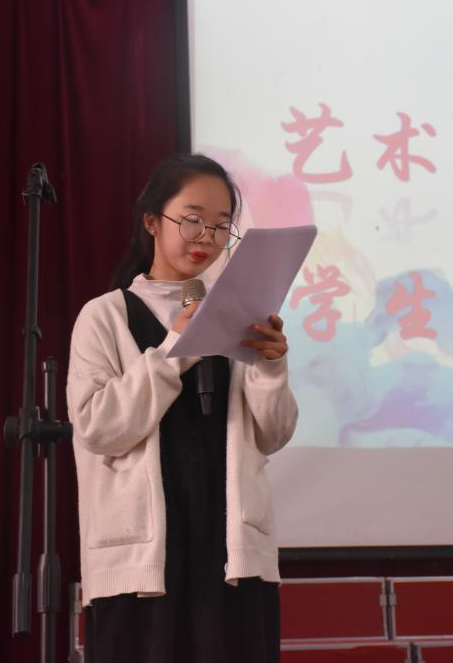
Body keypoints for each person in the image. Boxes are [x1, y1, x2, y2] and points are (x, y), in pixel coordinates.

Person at [66, 154, 298, 662]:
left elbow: (273, 434)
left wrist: (270, 367)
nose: (205, 238)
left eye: (220, 226)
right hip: (145, 567)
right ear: (152, 221)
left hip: (230, 557)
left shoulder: (240, 314)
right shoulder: (105, 316)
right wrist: (176, 349)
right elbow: (97, 428)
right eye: (192, 220)